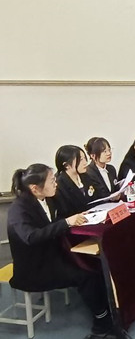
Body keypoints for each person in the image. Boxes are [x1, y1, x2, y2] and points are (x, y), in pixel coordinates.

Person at [7, 164, 114, 339]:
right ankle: (101, 324)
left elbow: (61, 217)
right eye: (51, 181)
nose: (56, 183)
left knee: (96, 262)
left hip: (54, 254)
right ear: (35, 188)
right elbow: (31, 237)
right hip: (35, 266)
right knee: (85, 275)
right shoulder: (18, 209)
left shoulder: (48, 198)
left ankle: (110, 310)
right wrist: (66, 223)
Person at [54, 145, 95, 218]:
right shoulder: (59, 185)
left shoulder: (85, 176)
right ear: (66, 165)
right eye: (80, 160)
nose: (85, 162)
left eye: (85, 158)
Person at [84, 137, 119, 202]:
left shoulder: (111, 169)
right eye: (104, 151)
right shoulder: (88, 173)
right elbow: (94, 196)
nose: (109, 153)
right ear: (93, 156)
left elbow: (116, 188)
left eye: (109, 150)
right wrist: (111, 197)